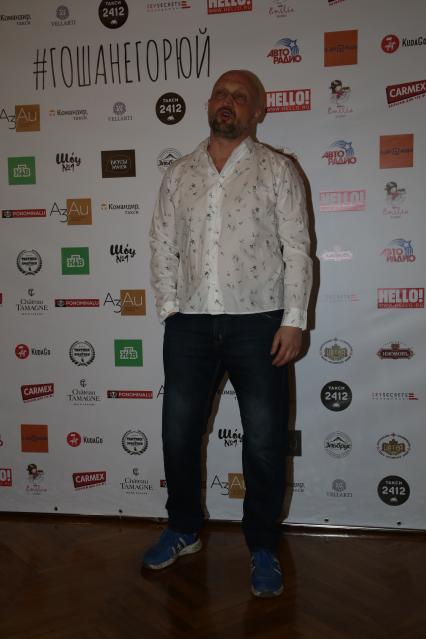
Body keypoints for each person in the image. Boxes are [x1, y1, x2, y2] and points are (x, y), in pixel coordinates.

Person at [144, 69, 312, 597]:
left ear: (258, 111)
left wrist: (293, 319)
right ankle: (183, 528)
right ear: (208, 103)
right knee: (177, 434)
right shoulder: (179, 172)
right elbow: (161, 242)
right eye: (221, 94)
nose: (228, 102)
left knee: (263, 442)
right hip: (190, 325)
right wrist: (170, 308)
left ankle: (262, 545)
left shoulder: (278, 170)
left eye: (240, 97)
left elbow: (297, 248)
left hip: (258, 323)